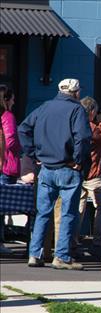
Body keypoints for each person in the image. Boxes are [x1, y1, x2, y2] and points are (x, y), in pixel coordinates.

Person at [18, 78, 91, 270]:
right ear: (76, 93)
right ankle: (62, 257)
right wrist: (78, 160)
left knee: (43, 213)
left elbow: (23, 129)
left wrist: (34, 155)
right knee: (67, 214)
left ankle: (35, 254)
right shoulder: (77, 110)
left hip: (46, 169)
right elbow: (83, 137)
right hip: (67, 168)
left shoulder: (45, 107)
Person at [76, 97, 101, 260]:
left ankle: (73, 241)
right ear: (91, 111)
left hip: (78, 172)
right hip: (92, 175)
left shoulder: (76, 125)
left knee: (79, 208)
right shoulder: (94, 128)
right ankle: (97, 243)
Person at [0, 85, 21, 255]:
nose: (14, 102)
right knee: (2, 208)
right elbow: (11, 139)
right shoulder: (7, 116)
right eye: (12, 98)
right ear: (6, 100)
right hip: (6, 166)